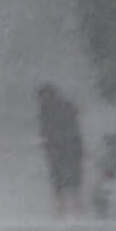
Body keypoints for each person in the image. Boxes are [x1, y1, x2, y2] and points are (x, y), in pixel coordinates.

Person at [36, 83, 85, 214]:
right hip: (71, 146)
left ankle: (62, 208)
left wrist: (47, 140)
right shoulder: (66, 105)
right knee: (73, 178)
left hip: (59, 148)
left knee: (59, 178)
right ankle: (74, 208)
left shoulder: (46, 108)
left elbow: (45, 130)